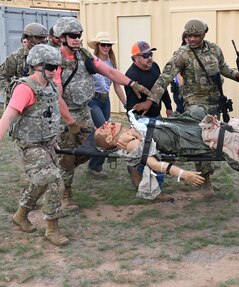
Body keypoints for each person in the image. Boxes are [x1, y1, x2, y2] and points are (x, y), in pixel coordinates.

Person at [133, 19, 239, 198]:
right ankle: (205, 181)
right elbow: (165, 78)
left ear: (204, 35)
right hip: (195, 104)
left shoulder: (214, 49)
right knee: (200, 138)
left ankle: (206, 176)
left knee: (215, 139)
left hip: (215, 102)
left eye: (196, 36)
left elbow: (222, 67)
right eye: (188, 35)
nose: (191, 39)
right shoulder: (182, 54)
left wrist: (236, 75)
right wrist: (151, 101)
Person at [52, 17, 149, 211]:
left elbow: (110, 72)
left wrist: (131, 83)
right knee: (68, 156)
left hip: (84, 111)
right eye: (73, 36)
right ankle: (65, 194)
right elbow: (57, 96)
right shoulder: (55, 60)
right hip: (65, 116)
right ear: (62, 38)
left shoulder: (84, 56)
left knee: (97, 147)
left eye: (79, 35)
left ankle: (62, 170)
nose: (78, 39)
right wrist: (70, 123)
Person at [0, 44, 69, 246]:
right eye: (50, 66)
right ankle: (52, 228)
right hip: (30, 145)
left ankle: (20, 215)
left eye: (56, 67)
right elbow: (7, 117)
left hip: (47, 143)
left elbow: (51, 115)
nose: (54, 71)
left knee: (40, 182)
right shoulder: (25, 88)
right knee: (55, 180)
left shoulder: (51, 86)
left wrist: (54, 139)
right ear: (36, 65)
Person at [94, 121, 205, 201]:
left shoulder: (126, 136)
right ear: (109, 138)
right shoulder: (131, 144)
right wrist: (183, 174)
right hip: (174, 137)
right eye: (103, 128)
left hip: (169, 129)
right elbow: (155, 164)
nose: (106, 123)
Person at [124, 41, 173, 194]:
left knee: (157, 151)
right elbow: (135, 107)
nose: (149, 58)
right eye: (145, 55)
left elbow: (162, 88)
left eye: (150, 54)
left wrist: (169, 106)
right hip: (141, 120)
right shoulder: (131, 76)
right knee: (153, 153)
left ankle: (136, 169)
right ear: (136, 58)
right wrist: (138, 124)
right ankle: (156, 189)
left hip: (156, 115)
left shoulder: (155, 67)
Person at [86, 32, 127, 177]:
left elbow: (117, 86)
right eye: (103, 44)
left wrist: (126, 105)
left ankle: (94, 165)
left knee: (104, 133)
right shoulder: (90, 61)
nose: (106, 47)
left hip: (105, 100)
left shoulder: (111, 63)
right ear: (97, 46)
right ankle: (94, 165)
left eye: (109, 45)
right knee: (106, 132)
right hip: (93, 100)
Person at [0, 23, 49, 107]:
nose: (43, 41)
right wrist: (11, 93)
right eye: (39, 38)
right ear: (28, 38)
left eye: (44, 38)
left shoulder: (50, 55)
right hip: (23, 102)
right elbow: (2, 76)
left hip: (44, 102)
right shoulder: (16, 57)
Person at [170, 32, 188, 114]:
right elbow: (178, 75)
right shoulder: (180, 53)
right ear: (185, 39)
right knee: (182, 112)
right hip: (181, 90)